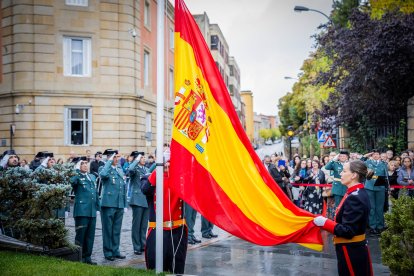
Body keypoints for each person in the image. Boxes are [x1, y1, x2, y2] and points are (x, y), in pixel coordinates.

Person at [313, 160, 373, 276]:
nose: (340, 174)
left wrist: (325, 223)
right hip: (351, 248)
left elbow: (348, 230)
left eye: (344, 171)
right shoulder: (354, 193)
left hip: (351, 250)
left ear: (354, 175)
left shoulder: (355, 197)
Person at [142, 159, 188, 274]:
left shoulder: (180, 178)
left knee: (177, 267)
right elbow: (145, 189)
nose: (167, 164)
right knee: (155, 266)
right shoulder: (149, 177)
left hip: (177, 230)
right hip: (158, 230)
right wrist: (158, 169)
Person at [70, 157, 100, 265]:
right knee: (80, 235)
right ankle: (78, 257)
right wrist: (76, 171)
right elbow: (71, 182)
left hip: (92, 211)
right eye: (82, 164)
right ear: (79, 166)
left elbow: (95, 193)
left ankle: (88, 257)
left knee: (90, 236)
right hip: (82, 211)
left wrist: (98, 207)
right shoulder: (77, 177)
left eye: (86, 163)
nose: (85, 165)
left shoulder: (91, 176)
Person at [99, 150, 127, 261]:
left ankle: (116, 250)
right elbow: (103, 175)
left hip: (119, 204)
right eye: (116, 157)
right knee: (107, 229)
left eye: (119, 157)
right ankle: (108, 252)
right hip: (108, 203)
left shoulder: (119, 169)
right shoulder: (104, 168)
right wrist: (109, 162)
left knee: (116, 229)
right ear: (110, 158)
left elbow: (123, 188)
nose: (118, 159)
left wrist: (124, 204)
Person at [126, 151, 149, 255]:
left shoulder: (147, 169)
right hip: (137, 199)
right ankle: (136, 246)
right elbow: (129, 169)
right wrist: (136, 160)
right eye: (142, 157)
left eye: (144, 157)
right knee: (137, 225)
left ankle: (143, 245)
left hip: (146, 200)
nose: (144, 159)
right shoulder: (135, 169)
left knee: (144, 225)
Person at [361, 150, 388, 234]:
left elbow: (386, 176)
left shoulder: (383, 164)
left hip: (380, 186)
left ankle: (380, 226)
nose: (376, 155)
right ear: (372, 155)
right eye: (374, 154)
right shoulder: (368, 162)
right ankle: (372, 226)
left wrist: (387, 187)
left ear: (380, 155)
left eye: (377, 154)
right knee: (372, 208)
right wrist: (366, 155)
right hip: (369, 187)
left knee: (380, 208)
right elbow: (360, 162)